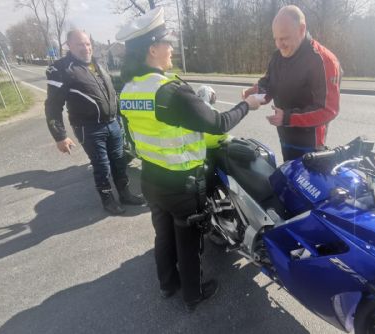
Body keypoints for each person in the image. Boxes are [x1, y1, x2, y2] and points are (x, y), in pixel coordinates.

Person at [115, 7, 261, 312]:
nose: (171, 48)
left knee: (163, 236)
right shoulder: (169, 91)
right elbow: (217, 123)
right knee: (188, 239)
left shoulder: (128, 90)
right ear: (153, 49)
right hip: (182, 182)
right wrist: (247, 104)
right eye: (167, 43)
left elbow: (133, 137)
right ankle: (193, 294)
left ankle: (168, 285)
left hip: (151, 177)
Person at [44, 30, 145, 215]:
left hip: (113, 123)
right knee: (102, 166)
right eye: (80, 44)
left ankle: (125, 194)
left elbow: (113, 88)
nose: (86, 48)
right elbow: (52, 106)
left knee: (119, 161)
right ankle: (108, 200)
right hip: (88, 128)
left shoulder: (98, 63)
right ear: (69, 45)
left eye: (88, 44)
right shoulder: (61, 69)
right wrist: (60, 136)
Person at [243, 5, 343, 161]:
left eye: (284, 38)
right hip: (285, 136)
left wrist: (288, 118)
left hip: (310, 146)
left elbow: (329, 109)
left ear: (301, 29)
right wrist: (257, 94)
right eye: (275, 38)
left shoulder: (323, 60)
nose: (279, 44)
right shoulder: (278, 56)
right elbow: (269, 82)